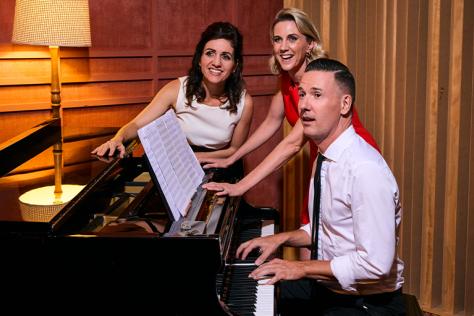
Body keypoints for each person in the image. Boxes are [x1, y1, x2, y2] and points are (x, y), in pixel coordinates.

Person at [235, 58, 405, 315]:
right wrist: (281, 238)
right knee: (249, 287)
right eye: (302, 94)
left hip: (368, 304)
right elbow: (327, 231)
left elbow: (376, 264)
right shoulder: (325, 158)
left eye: (317, 95)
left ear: (344, 104)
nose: (304, 105)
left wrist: (300, 267)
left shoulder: (365, 170)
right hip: (330, 289)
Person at [201, 8, 378, 229]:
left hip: (350, 159)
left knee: (340, 237)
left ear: (310, 44)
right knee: (313, 233)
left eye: (292, 38)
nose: (283, 47)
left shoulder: (314, 79)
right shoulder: (288, 78)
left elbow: (292, 144)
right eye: (277, 39)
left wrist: (240, 187)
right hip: (322, 160)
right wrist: (232, 157)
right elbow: (270, 123)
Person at [92, 22, 253, 165]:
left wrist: (197, 157)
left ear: (235, 66)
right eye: (210, 53)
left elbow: (234, 150)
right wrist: (117, 139)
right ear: (199, 59)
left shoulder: (244, 102)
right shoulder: (177, 88)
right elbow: (137, 124)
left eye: (225, 56)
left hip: (218, 166)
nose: (216, 62)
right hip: (178, 165)